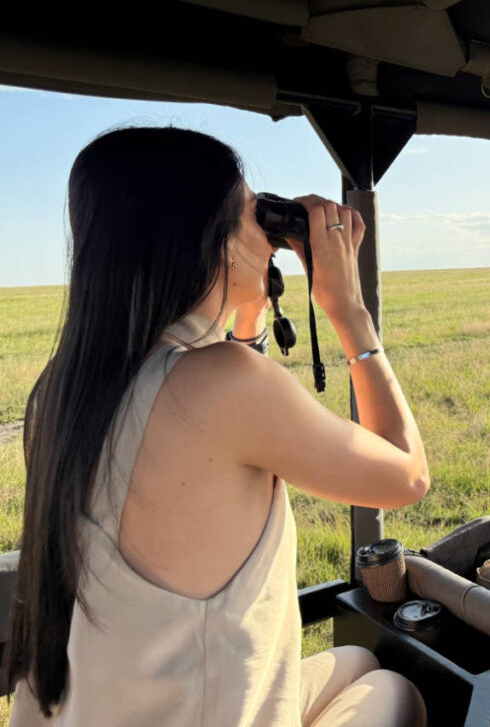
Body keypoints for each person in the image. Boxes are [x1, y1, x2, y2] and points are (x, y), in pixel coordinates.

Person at [5, 127, 430, 726]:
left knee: (357, 659)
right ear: (213, 241)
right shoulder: (222, 385)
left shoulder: (63, 388)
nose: (267, 232)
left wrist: (248, 305)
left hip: (97, 708)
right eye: (254, 216)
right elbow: (407, 475)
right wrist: (349, 310)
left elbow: (200, 409)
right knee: (395, 691)